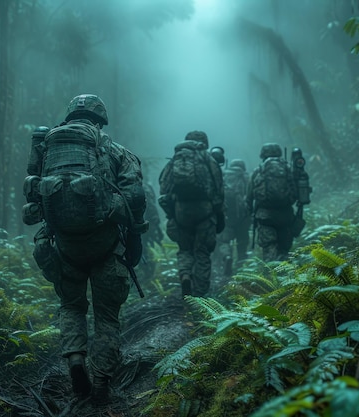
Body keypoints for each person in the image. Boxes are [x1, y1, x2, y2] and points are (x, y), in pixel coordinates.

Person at [22, 94, 148, 404]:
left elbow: (35, 196)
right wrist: (134, 231)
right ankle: (102, 382)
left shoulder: (47, 151)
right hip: (105, 244)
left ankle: (75, 360)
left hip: (64, 245)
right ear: (100, 120)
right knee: (106, 316)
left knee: (72, 306)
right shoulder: (113, 150)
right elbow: (135, 195)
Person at [158, 130, 224, 298]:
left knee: (185, 249)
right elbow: (219, 189)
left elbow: (164, 188)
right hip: (205, 213)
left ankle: (185, 275)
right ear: (205, 143)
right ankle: (200, 296)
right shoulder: (208, 159)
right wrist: (217, 211)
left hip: (181, 213)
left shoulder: (176, 158)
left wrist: (173, 210)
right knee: (202, 252)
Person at [247, 143, 299, 262]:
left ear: (262, 154)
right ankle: (285, 276)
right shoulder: (288, 168)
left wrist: (251, 214)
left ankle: (271, 277)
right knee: (284, 250)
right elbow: (297, 191)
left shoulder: (258, 170)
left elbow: (249, 197)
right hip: (286, 215)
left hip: (265, 217)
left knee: (269, 248)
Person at [218, 159, 251, 275]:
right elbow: (252, 195)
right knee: (242, 241)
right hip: (242, 216)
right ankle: (241, 266)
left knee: (224, 241)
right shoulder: (246, 177)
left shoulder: (223, 175)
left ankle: (227, 257)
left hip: (226, 215)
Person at [138, 180, 164, 281]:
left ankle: (145, 273)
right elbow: (152, 207)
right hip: (145, 224)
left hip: (131, 225)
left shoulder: (120, 186)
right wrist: (156, 225)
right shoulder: (146, 186)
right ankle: (147, 273)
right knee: (143, 248)